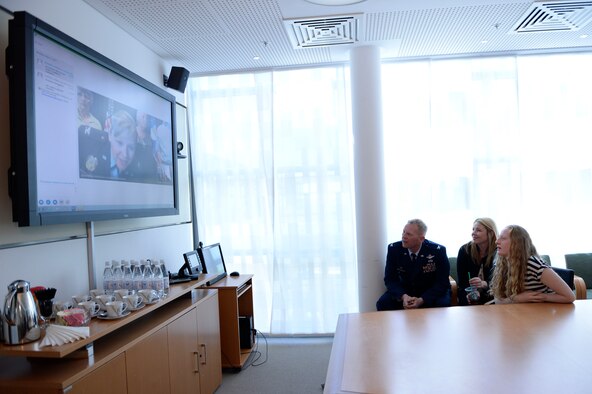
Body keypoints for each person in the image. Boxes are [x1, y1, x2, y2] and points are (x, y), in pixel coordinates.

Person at [376, 219, 451, 310]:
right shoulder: (394, 249)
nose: (404, 236)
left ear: (421, 238)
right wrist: (403, 296)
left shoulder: (437, 251)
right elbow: (390, 279)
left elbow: (442, 282)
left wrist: (422, 299)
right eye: (403, 232)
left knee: (443, 304)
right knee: (383, 303)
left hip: (430, 291)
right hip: (406, 291)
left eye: (409, 234)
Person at [490, 225, 575, 304]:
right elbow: (498, 301)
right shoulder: (501, 263)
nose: (497, 241)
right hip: (520, 313)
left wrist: (542, 297)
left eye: (503, 238)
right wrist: (517, 299)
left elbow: (570, 297)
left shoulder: (534, 265)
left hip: (541, 314)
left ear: (516, 243)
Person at [456, 218, 498, 305]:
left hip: (492, 293)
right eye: (473, 229)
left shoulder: (499, 251)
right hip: (468, 293)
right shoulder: (465, 250)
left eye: (478, 230)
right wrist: (471, 293)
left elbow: (501, 282)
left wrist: (484, 284)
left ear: (490, 233)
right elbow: (462, 282)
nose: (473, 233)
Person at [108, 109, 137, 179]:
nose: (125, 154)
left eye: (131, 147)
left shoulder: (137, 169)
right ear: (110, 135)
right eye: (120, 143)